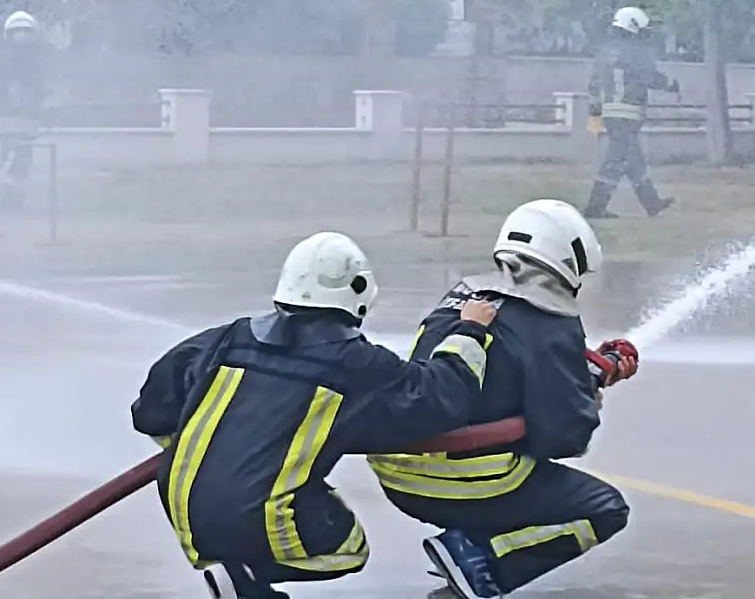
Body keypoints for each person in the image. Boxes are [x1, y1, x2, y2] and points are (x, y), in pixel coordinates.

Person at [131, 231, 498, 599]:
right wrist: (468, 330)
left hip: (185, 507)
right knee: (346, 550)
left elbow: (150, 413)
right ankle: (243, 575)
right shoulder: (357, 362)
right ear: (358, 291)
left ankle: (245, 586)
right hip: (261, 513)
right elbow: (439, 401)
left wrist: (221, 447)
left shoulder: (225, 338)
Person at [367, 200, 639, 599]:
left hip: (399, 478)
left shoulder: (464, 298)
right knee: (605, 509)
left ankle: (467, 561)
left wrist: (580, 374)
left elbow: (496, 366)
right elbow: (564, 439)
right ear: (566, 260)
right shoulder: (551, 322)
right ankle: (479, 557)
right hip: (466, 482)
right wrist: (585, 402)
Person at [584, 6, 679, 219]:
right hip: (628, 113)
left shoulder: (605, 52)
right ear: (633, 26)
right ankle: (595, 208)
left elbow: (593, 84)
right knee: (615, 160)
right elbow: (650, 76)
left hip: (610, 113)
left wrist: (595, 111)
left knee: (633, 159)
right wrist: (671, 84)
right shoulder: (637, 51)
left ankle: (652, 203)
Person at [0, 10, 48, 212]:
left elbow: (44, 89)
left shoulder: (37, 63)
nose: (22, 37)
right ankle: (6, 197)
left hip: (26, 121)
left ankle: (14, 199)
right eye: (18, 32)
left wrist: (49, 109)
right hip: (5, 120)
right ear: (9, 35)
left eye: (25, 32)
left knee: (23, 160)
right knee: (10, 158)